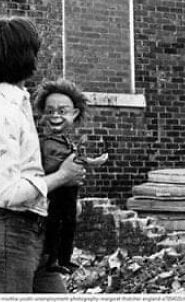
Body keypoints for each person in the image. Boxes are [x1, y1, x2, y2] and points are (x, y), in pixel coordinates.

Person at [0, 17, 86, 293]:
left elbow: (28, 174)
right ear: (23, 56)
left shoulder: (18, 102)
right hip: (9, 229)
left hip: (32, 226)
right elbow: (9, 192)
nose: (37, 58)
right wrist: (62, 177)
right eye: (34, 51)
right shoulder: (1, 113)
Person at [34, 79, 108, 274]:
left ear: (74, 114)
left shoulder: (67, 142)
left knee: (69, 225)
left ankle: (65, 259)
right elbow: (50, 167)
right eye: (50, 111)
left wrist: (93, 162)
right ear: (43, 114)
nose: (55, 116)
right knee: (53, 226)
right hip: (55, 194)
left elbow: (76, 159)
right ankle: (52, 260)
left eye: (62, 111)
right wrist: (64, 170)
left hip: (69, 194)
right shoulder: (44, 144)